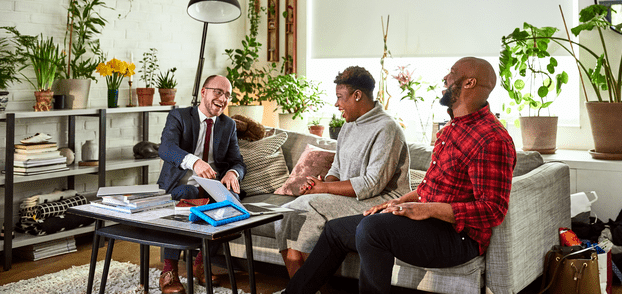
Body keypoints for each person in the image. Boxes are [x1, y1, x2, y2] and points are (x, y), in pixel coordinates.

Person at [279, 57, 517, 294]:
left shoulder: (492, 139)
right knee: (336, 230)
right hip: (431, 223)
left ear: (469, 83)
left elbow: (493, 210)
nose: (445, 78)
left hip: (458, 237)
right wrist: (398, 202)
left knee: (372, 228)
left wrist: (428, 209)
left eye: (452, 73)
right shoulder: (452, 128)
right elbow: (429, 189)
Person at [275, 66, 411, 278]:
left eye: (340, 97)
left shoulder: (387, 128)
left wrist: (324, 189)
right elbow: (336, 169)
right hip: (351, 198)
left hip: (381, 200)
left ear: (357, 95)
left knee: (306, 207)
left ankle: (302, 287)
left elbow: (372, 184)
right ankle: (300, 287)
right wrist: (321, 185)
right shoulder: (348, 126)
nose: (336, 103)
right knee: (286, 212)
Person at [156, 75, 245, 294]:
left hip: (212, 186)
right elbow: (165, 148)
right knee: (187, 193)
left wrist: (233, 173)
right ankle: (169, 270)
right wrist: (194, 162)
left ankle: (201, 263)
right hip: (180, 184)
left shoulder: (228, 125)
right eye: (218, 92)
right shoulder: (179, 116)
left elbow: (237, 161)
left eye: (227, 95)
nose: (223, 99)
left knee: (232, 202)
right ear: (203, 92)